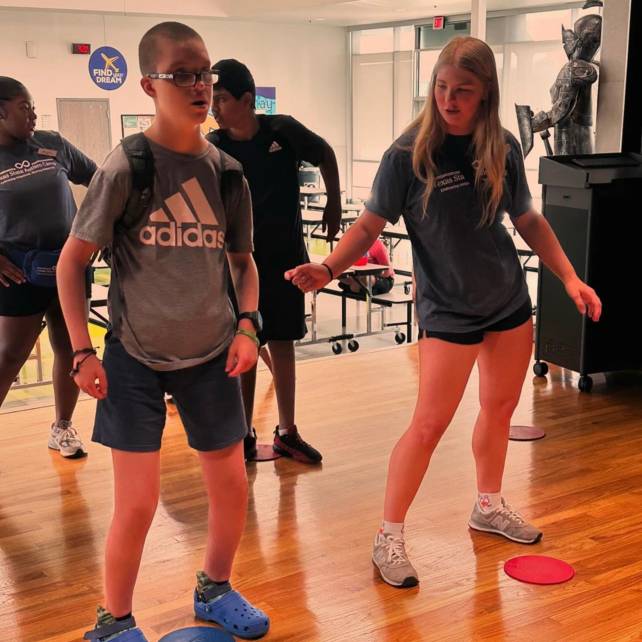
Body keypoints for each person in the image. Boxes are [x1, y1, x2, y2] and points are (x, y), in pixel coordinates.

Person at [285, 36, 602, 588]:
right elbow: (368, 227)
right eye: (441, 88)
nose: (449, 100)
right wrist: (330, 268)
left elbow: (526, 218)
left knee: (499, 409)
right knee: (429, 425)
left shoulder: (501, 145)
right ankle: (389, 536)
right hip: (448, 312)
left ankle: (488, 504)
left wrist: (570, 277)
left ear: (486, 96)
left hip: (507, 302)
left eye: (463, 91)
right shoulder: (406, 156)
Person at [56, 22, 269, 640]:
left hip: (210, 355)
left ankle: (215, 588)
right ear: (150, 84)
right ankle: (113, 620)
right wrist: (79, 352)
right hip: (135, 357)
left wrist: (249, 327)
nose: (200, 85)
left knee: (231, 489)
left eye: (206, 74)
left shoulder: (228, 173)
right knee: (139, 503)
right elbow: (73, 264)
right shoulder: (129, 165)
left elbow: (243, 263)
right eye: (184, 74)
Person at [207, 59, 342, 464]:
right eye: (212, 98)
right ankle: (243, 432)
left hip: (284, 259)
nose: (214, 106)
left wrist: (334, 202)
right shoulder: (214, 146)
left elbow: (325, 154)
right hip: (238, 264)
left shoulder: (282, 129)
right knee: (247, 343)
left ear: (248, 100)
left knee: (283, 342)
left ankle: (287, 431)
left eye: (223, 98)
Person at [0, 76, 96, 458]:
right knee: (10, 355)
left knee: (70, 347)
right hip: (20, 271)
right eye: (24, 107)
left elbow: (100, 180)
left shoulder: (52, 144)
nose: (34, 114)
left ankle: (63, 427)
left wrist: (95, 231)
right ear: (1, 111)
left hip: (69, 265)